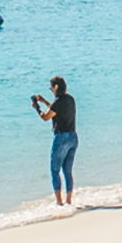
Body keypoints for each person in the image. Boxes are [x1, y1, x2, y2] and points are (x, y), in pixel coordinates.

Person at [31, 76, 79, 208]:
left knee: (55, 170)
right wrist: (44, 101)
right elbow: (56, 109)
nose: (51, 89)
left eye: (51, 87)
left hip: (61, 138)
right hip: (73, 137)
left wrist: (37, 108)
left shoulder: (58, 102)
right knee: (67, 171)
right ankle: (69, 200)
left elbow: (46, 117)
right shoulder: (70, 99)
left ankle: (59, 202)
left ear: (56, 87)